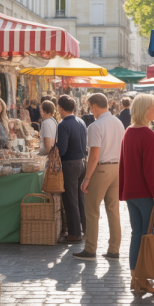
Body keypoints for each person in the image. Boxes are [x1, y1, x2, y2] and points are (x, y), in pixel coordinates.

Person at [119, 94, 154, 294]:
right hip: (146, 194)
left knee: (138, 235)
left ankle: (135, 278)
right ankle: (142, 279)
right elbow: (150, 170)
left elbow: (124, 166)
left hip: (132, 194)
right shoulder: (147, 134)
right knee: (147, 236)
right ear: (146, 109)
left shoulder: (129, 132)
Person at [73, 93, 125, 261]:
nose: (91, 111)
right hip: (117, 168)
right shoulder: (118, 122)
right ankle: (114, 249)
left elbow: (94, 155)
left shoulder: (95, 126)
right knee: (113, 210)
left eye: (90, 107)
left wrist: (86, 178)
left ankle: (90, 249)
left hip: (101, 169)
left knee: (92, 210)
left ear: (94, 106)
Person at [56, 95, 87, 243]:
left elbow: (62, 150)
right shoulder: (80, 121)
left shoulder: (63, 125)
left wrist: (53, 148)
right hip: (81, 163)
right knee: (80, 199)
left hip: (70, 165)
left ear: (61, 108)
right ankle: (85, 228)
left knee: (71, 200)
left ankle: (75, 233)